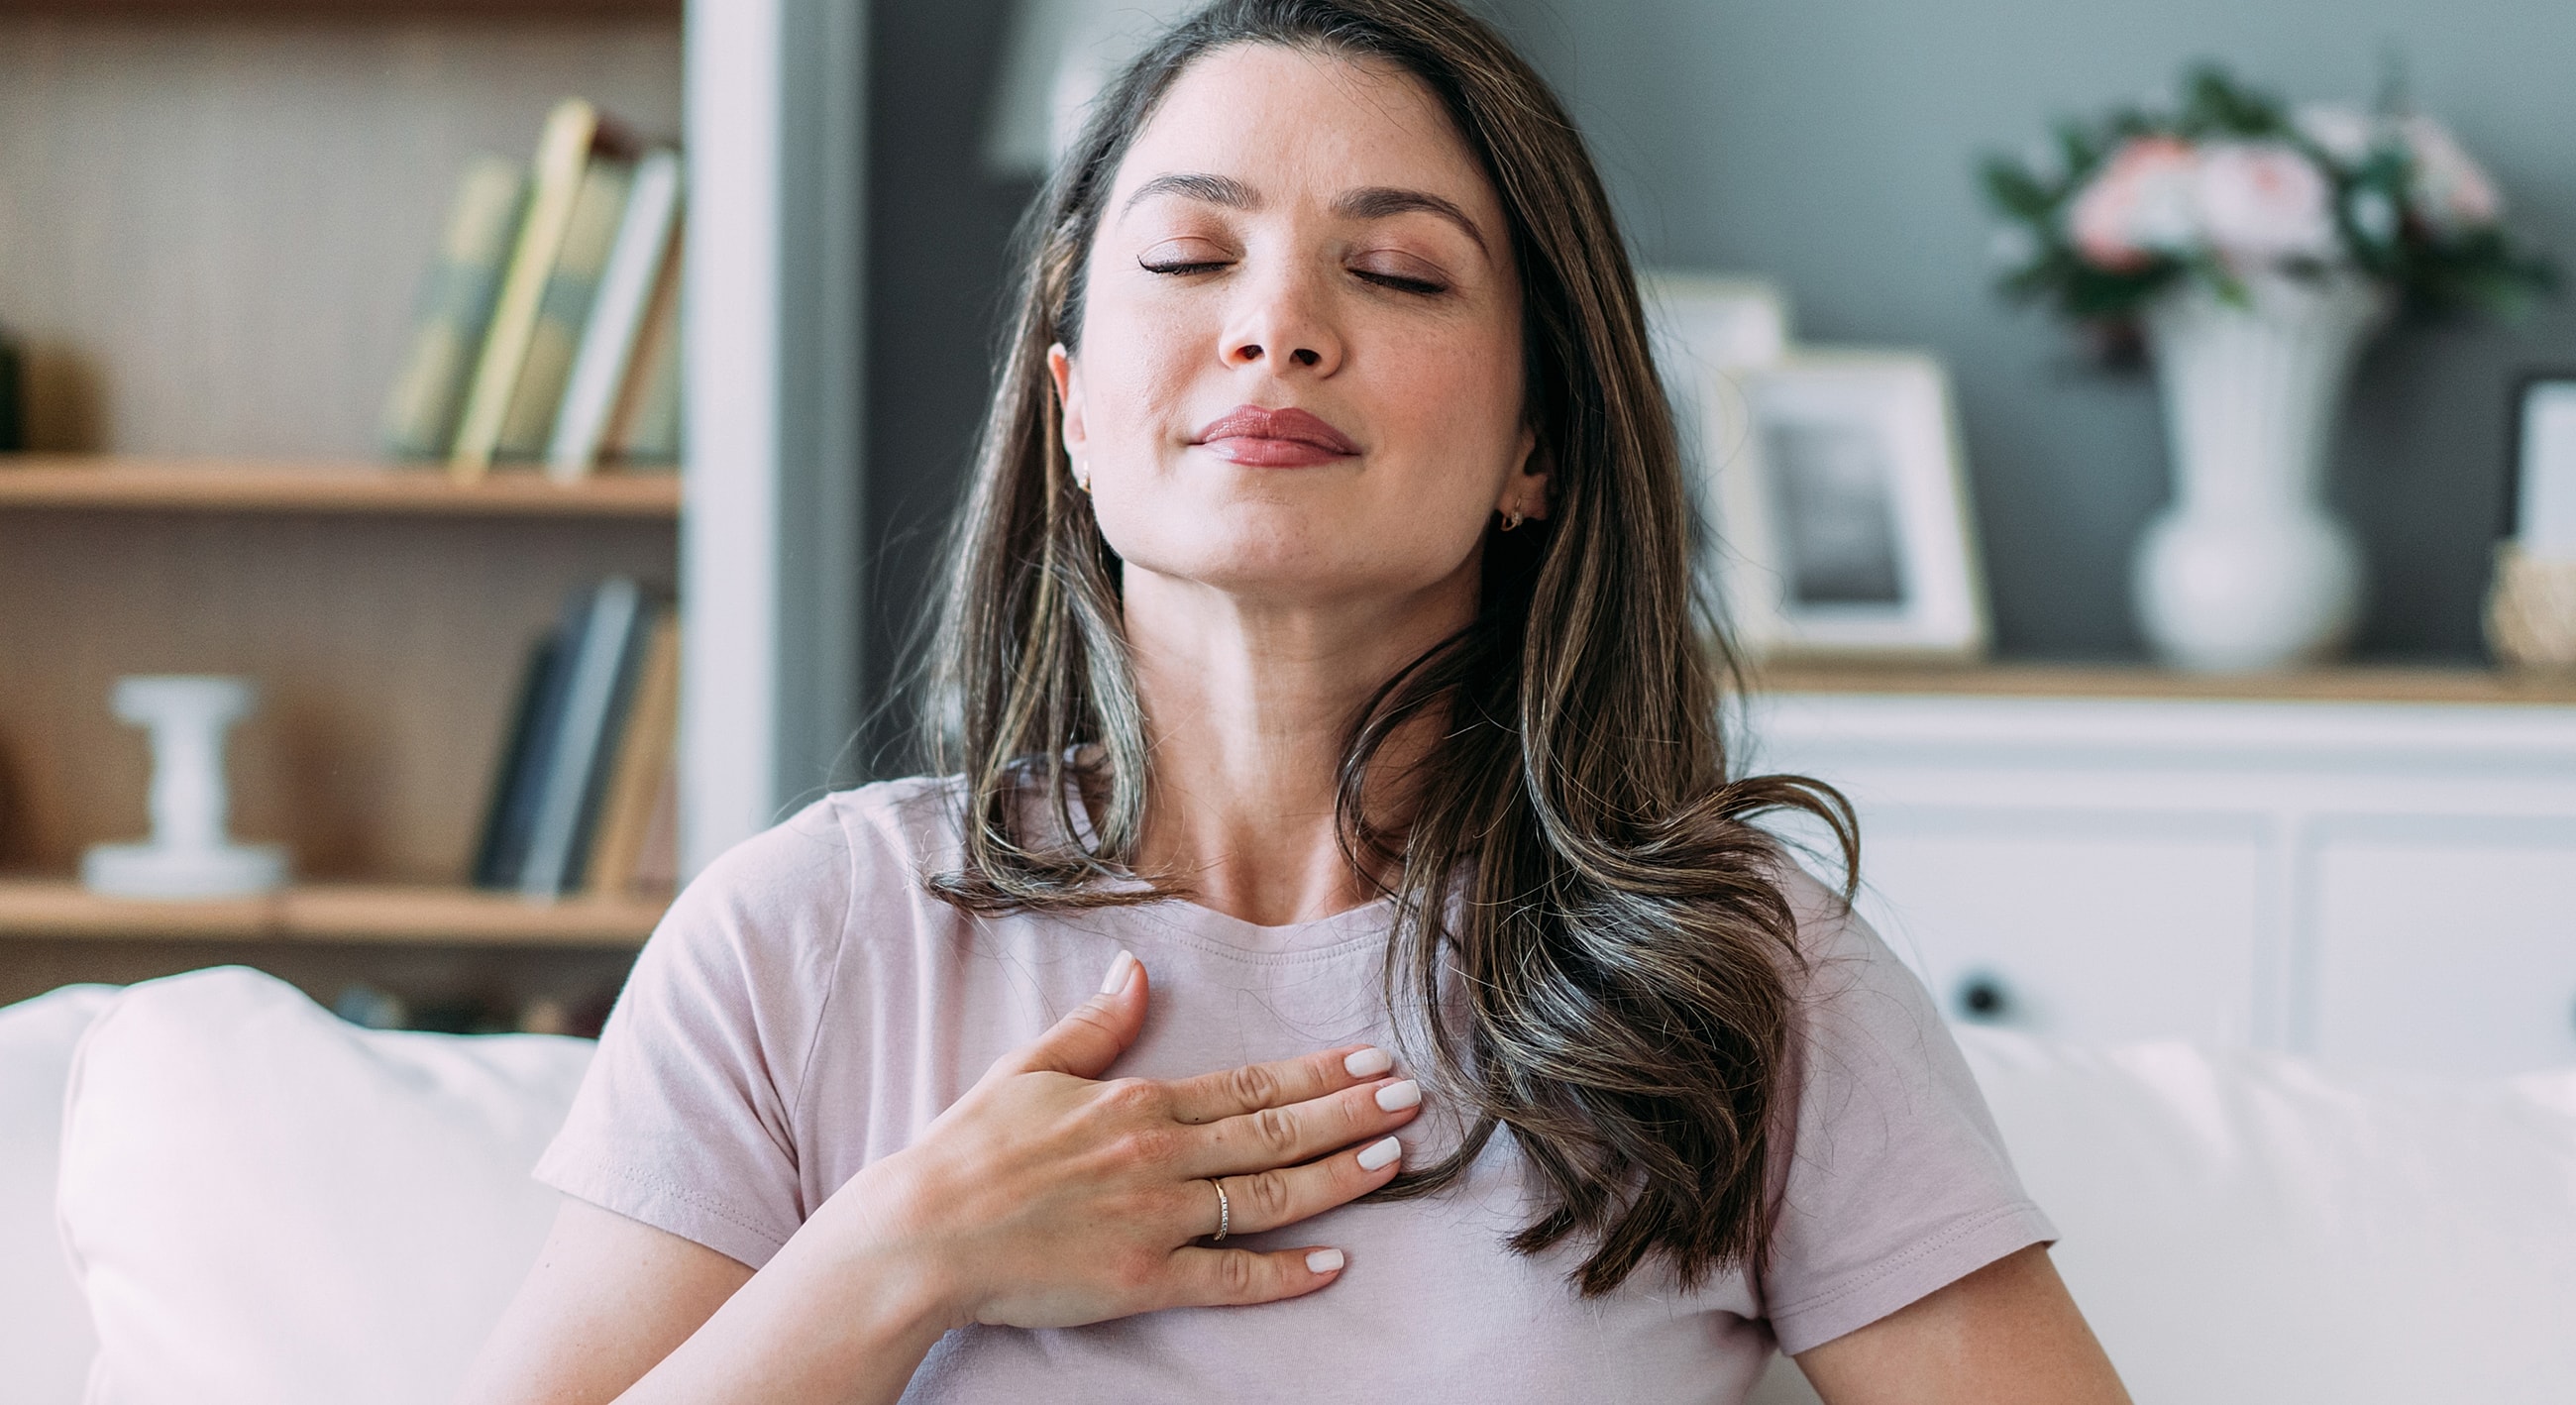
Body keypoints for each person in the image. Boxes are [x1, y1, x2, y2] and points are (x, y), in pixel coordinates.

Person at [463, 2, 2132, 1400]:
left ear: (1537, 446)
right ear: (1072, 412)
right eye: (1190, 255)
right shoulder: (808, 938)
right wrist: (900, 1257)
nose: (1276, 326)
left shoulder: (1744, 977)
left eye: (1397, 272)